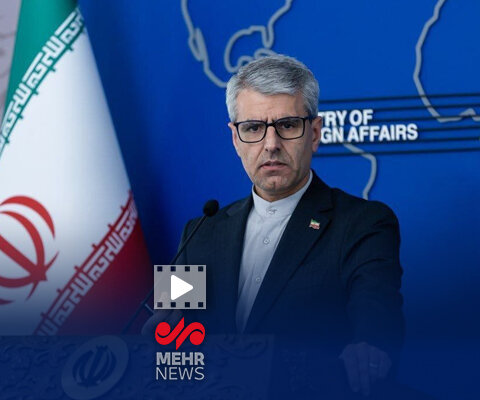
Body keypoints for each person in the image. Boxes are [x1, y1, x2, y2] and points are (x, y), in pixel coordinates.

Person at [150, 55, 405, 398]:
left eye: (287, 125)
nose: (271, 144)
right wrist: (155, 336)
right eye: (253, 128)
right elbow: (167, 328)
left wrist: (370, 349)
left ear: (314, 133)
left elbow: (377, 322)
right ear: (235, 139)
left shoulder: (363, 223)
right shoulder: (199, 232)